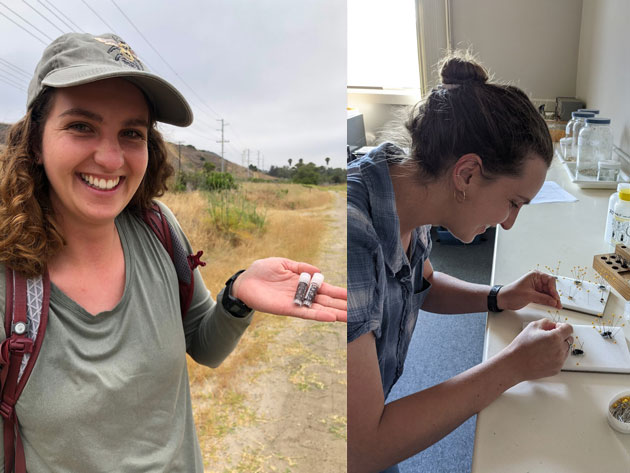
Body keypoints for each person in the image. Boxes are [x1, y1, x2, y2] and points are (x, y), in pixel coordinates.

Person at [0, 32, 347, 472]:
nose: (110, 158)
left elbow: (206, 346)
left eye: (131, 132)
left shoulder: (158, 229)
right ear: (35, 139)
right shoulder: (7, 280)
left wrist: (237, 296)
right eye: (81, 126)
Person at [347, 53, 573, 473]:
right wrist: (512, 365)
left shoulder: (408, 183)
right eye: (512, 202)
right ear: (467, 174)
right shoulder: (351, 239)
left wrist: (499, 297)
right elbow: (360, 448)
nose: (509, 223)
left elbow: (423, 283)